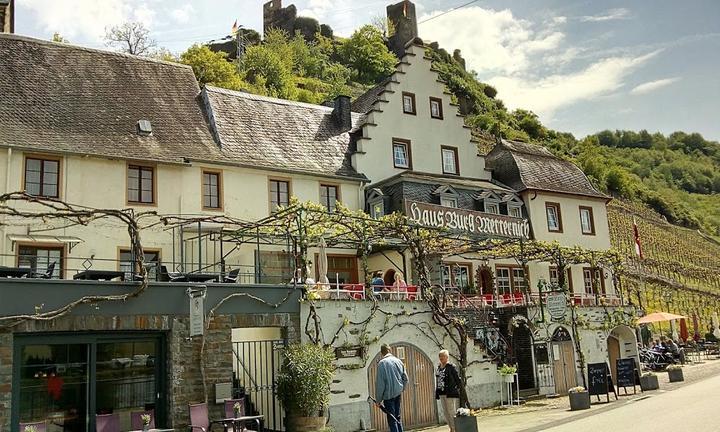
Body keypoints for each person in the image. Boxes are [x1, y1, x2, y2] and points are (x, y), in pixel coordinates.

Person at [375, 344, 408, 432]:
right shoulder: (398, 361)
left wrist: (378, 400)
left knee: (392, 419)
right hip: (398, 394)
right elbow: (405, 378)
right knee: (397, 417)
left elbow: (380, 384)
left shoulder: (382, 364)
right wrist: (402, 389)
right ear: (390, 350)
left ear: (382, 353)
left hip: (388, 396)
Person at [435, 350, 461, 432]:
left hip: (450, 392)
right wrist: (437, 391)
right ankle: (451, 428)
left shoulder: (451, 366)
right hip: (442, 392)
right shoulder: (439, 367)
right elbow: (438, 379)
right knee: (445, 412)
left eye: (443, 356)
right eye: (440, 356)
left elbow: (457, 379)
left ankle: (455, 428)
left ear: (447, 357)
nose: (441, 358)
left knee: (451, 411)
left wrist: (457, 388)